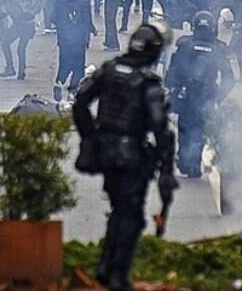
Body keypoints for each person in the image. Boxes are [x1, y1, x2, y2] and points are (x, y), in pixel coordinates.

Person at [72, 22, 177, 291]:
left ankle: (105, 267)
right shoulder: (148, 82)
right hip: (131, 155)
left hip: (106, 152)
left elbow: (81, 101)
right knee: (131, 216)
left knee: (119, 211)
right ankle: (117, 274)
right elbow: (160, 127)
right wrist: (166, 166)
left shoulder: (109, 70)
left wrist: (91, 137)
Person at [166, 11, 233, 177]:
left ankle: (186, 161)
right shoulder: (218, 48)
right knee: (200, 130)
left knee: (185, 129)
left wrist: (173, 90)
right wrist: (219, 97)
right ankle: (192, 163)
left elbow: (172, 71)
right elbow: (228, 78)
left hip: (186, 94)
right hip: (207, 95)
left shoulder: (184, 44)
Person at [53, 0, 97, 101]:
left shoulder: (60, 1)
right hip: (79, 39)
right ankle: (72, 91)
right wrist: (92, 30)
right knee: (78, 67)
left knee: (64, 63)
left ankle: (59, 83)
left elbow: (52, 18)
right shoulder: (84, 2)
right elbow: (87, 21)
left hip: (64, 39)